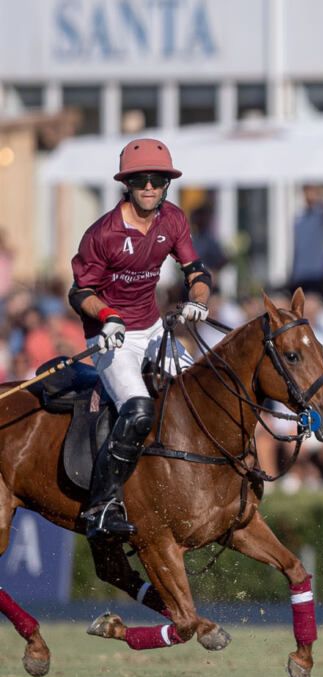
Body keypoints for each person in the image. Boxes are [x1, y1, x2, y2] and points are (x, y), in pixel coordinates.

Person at [68, 138, 212, 538]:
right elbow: (79, 292)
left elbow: (196, 271)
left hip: (151, 328)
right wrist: (108, 317)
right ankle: (102, 505)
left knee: (203, 390)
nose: (149, 187)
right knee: (139, 411)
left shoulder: (173, 220)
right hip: (110, 338)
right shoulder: (103, 233)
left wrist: (198, 301)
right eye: (140, 179)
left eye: (157, 179)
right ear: (127, 184)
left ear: (166, 183)